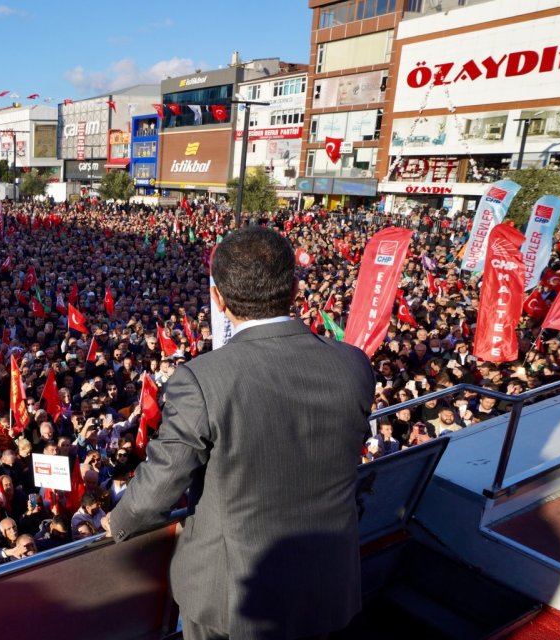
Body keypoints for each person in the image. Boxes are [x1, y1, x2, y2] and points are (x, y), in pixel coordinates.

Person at [104, 226, 374, 640]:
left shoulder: (200, 379)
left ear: (218, 299)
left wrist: (117, 520)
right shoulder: (353, 363)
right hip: (327, 582)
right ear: (295, 287)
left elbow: (157, 488)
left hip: (233, 597)